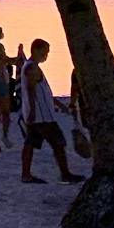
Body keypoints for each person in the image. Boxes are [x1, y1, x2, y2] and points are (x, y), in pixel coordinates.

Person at [20, 39, 83, 184]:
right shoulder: (31, 68)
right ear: (36, 49)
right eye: (45, 51)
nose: (46, 55)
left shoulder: (32, 66)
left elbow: (44, 92)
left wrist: (61, 106)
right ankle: (65, 174)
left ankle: (26, 174)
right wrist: (33, 112)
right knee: (58, 142)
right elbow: (31, 91)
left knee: (30, 143)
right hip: (42, 117)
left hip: (37, 115)